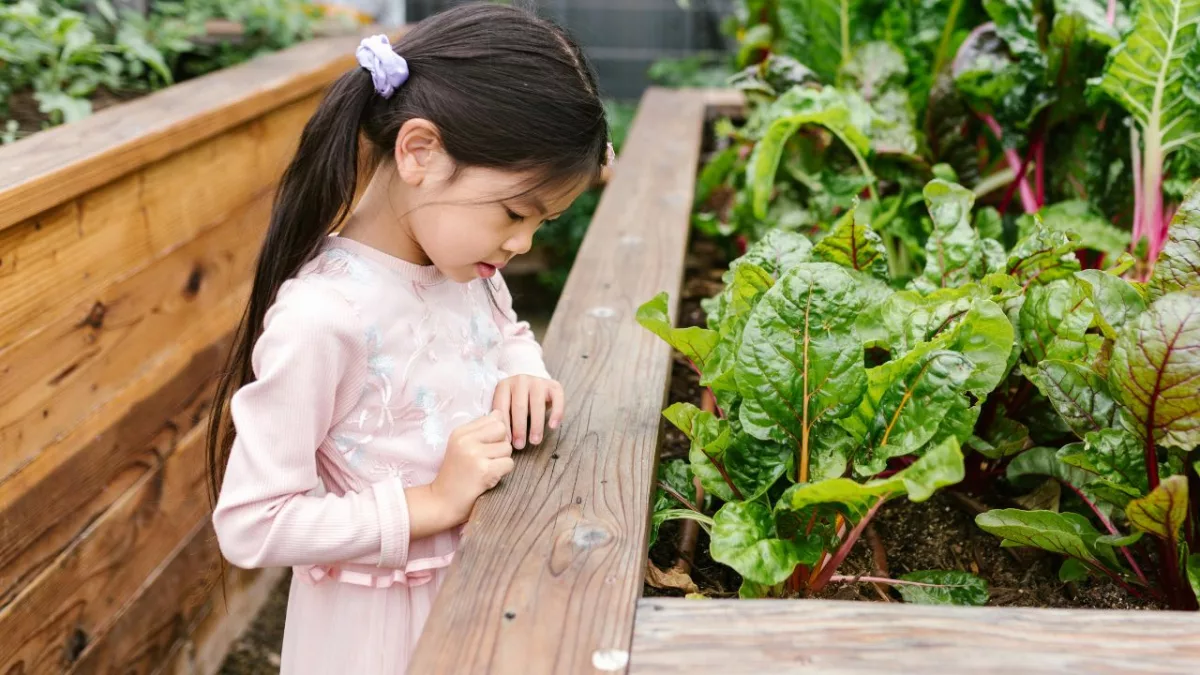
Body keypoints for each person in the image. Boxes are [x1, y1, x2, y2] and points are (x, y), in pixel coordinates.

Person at [204, 4, 611, 673]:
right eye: (516, 212)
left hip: (480, 588)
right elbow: (252, 521)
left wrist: (522, 367)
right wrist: (429, 502)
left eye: (544, 222)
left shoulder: (460, 262)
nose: (522, 243)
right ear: (420, 151)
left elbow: (502, 328)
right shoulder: (324, 318)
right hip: (378, 634)